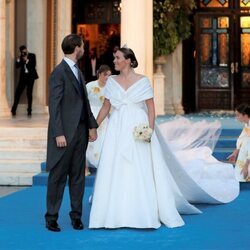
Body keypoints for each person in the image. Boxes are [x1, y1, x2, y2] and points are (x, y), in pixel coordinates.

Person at [89, 46, 239, 229]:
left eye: (118, 58)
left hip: (138, 126)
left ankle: (141, 212)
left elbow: (151, 108)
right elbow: (106, 107)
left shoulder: (143, 81)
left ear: (128, 60)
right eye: (115, 58)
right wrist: (93, 126)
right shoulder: (111, 82)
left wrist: (149, 130)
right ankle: (114, 213)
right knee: (116, 165)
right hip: (117, 129)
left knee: (140, 166)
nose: (115, 61)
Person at [45, 34, 98, 232]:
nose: (84, 48)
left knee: (78, 176)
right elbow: (54, 105)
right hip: (64, 135)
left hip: (80, 133)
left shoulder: (78, 71)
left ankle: (76, 216)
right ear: (76, 47)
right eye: (82, 45)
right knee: (57, 177)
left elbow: (84, 103)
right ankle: (51, 217)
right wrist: (58, 133)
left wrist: (92, 126)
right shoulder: (59, 72)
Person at [85, 65, 112, 175]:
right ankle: (85, 167)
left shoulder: (110, 88)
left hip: (103, 115)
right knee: (88, 141)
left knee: (104, 138)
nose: (107, 77)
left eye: (109, 75)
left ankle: (102, 165)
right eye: (105, 75)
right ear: (99, 74)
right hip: (90, 114)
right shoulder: (90, 85)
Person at [11, 45, 39, 116]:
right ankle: (13, 109)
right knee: (18, 92)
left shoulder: (32, 56)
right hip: (23, 78)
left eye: (24, 51)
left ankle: (29, 110)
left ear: (26, 50)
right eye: (22, 52)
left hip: (31, 77)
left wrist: (26, 60)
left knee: (29, 93)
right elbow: (17, 66)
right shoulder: (20, 57)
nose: (24, 53)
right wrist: (18, 59)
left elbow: (33, 65)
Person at [227, 103, 250, 182]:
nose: (236, 118)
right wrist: (236, 151)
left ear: (245, 115)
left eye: (238, 115)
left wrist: (246, 165)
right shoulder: (247, 124)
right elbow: (242, 138)